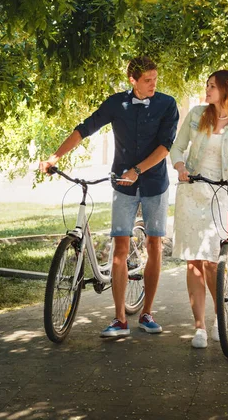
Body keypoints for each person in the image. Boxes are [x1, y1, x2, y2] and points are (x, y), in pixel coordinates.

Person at [40, 56, 179, 338]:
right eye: (147, 80)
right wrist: (55, 156)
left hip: (154, 183)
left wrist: (138, 170)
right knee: (120, 248)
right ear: (133, 80)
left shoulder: (167, 104)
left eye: (155, 79)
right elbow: (85, 128)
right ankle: (119, 319)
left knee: (154, 243)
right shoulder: (117, 103)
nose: (153, 84)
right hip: (122, 185)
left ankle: (147, 312)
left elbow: (165, 147)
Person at [169, 70, 228, 349]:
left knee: (212, 262)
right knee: (193, 262)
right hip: (191, 191)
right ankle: (199, 327)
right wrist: (181, 166)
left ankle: (219, 317)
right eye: (206, 85)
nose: (206, 90)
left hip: (219, 194)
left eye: (212, 86)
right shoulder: (197, 114)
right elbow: (176, 148)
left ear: (226, 90)